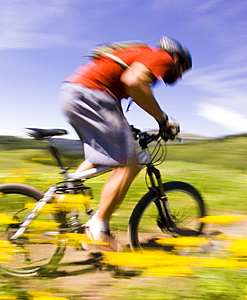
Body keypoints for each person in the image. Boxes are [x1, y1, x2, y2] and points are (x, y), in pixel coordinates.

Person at [59, 36, 192, 251]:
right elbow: (133, 82)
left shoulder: (135, 55)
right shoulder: (162, 57)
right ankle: (97, 229)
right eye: (183, 70)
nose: (180, 76)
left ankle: (64, 202)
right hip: (92, 94)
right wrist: (163, 120)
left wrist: (126, 128)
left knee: (97, 158)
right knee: (129, 163)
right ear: (177, 59)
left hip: (73, 93)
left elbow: (116, 94)